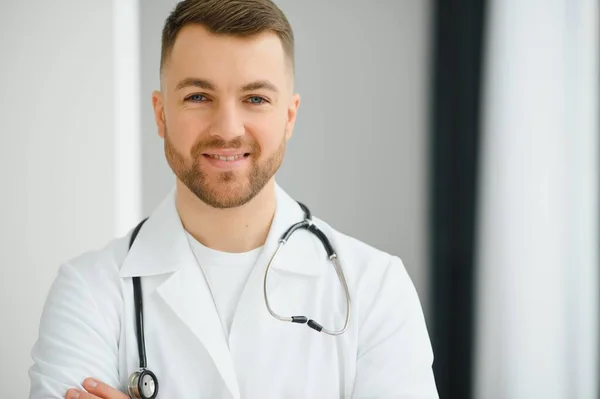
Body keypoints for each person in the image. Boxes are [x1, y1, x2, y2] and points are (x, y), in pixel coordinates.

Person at [28, 0, 439, 398]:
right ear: (160, 114)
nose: (227, 128)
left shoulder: (375, 288)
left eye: (255, 99)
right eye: (198, 97)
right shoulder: (88, 292)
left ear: (289, 117)